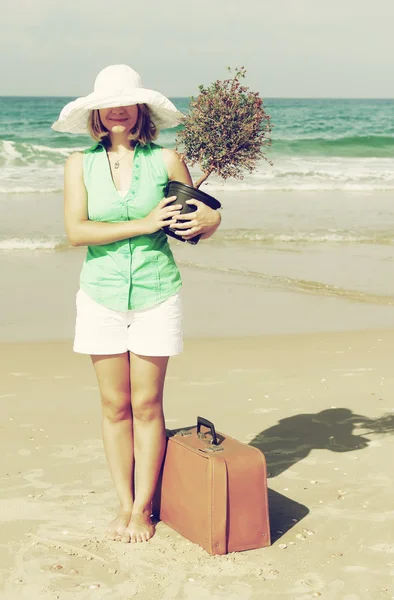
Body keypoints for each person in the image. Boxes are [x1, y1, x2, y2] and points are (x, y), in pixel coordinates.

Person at [52, 65, 221, 544]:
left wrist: (211, 221)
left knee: (147, 405)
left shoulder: (167, 159)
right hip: (100, 295)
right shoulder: (77, 164)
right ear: (97, 113)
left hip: (156, 293)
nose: (118, 109)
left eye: (127, 101)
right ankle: (122, 503)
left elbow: (195, 224)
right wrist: (144, 222)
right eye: (109, 102)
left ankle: (144, 508)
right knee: (114, 406)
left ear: (141, 109)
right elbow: (76, 232)